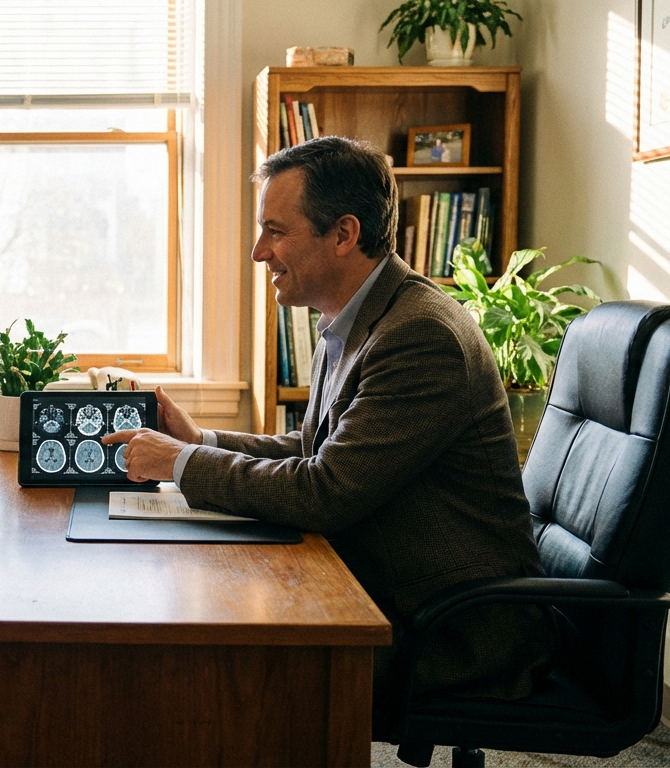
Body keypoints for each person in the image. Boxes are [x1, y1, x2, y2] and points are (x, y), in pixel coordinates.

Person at [104, 136, 554, 702]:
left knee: (211, 665)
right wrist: (201, 440)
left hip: (449, 630)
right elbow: (316, 450)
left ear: (344, 234)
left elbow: (325, 491)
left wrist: (182, 462)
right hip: (380, 586)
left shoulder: (421, 336)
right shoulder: (354, 318)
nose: (257, 252)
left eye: (276, 230)